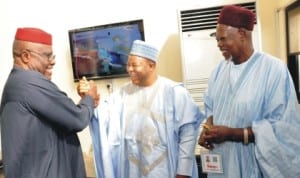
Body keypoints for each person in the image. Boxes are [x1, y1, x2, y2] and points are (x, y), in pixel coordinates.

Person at [198, 5, 300, 178]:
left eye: (223, 39)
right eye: (217, 40)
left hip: (255, 165)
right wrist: (207, 130)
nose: (219, 45)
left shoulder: (273, 70)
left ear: (242, 34)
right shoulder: (218, 72)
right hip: (223, 163)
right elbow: (211, 109)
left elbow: (283, 125)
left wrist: (233, 134)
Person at [81, 40, 204, 178]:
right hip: (133, 171)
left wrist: (183, 172)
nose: (129, 69)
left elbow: (188, 134)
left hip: (165, 170)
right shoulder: (122, 94)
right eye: (128, 65)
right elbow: (104, 117)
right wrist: (91, 99)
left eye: (134, 65)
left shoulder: (174, 92)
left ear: (151, 65)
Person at [0, 27, 99, 178]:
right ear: (26, 56)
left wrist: (86, 101)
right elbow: (77, 119)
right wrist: (90, 97)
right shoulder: (30, 83)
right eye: (47, 56)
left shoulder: (18, 83)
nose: (52, 62)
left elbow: (61, 115)